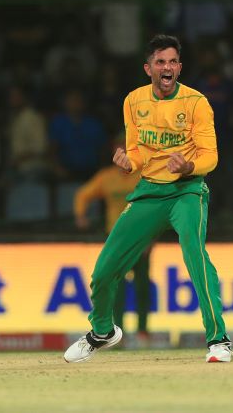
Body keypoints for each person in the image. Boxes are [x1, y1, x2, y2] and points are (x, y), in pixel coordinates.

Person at [64, 35, 233, 363]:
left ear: (179, 67)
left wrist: (189, 165)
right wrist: (131, 161)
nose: (167, 67)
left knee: (195, 255)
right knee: (103, 271)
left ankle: (219, 341)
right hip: (150, 192)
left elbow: (211, 156)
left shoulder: (197, 103)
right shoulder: (133, 101)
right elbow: (139, 150)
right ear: (148, 68)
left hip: (187, 190)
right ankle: (102, 331)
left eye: (172, 62)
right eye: (160, 62)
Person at [73, 135, 152, 342]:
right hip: (116, 238)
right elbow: (83, 194)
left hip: (141, 237)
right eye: (120, 149)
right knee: (115, 285)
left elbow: (156, 207)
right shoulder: (106, 177)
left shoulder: (144, 174)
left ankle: (143, 331)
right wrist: (81, 215)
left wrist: (150, 237)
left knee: (142, 286)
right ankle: (119, 332)